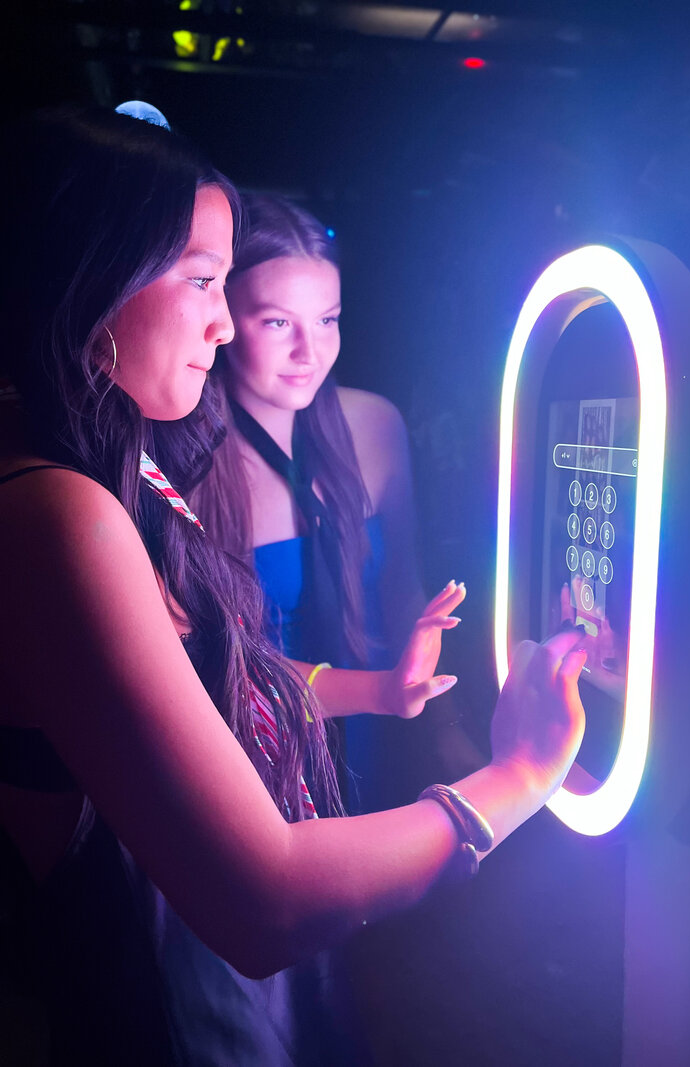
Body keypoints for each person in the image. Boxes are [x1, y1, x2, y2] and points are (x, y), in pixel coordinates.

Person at [0, 105, 586, 1066]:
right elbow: (262, 899)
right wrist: (515, 776)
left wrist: (379, 692)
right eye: (201, 279)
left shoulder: (110, 469)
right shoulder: (60, 514)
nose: (223, 323)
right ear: (87, 271)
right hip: (163, 1003)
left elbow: (210, 684)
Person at [191, 193, 477, 812]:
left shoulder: (375, 426)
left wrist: (446, 731)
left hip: (385, 739)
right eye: (276, 322)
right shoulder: (189, 462)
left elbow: (405, 592)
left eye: (327, 320)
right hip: (255, 763)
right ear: (223, 315)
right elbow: (217, 668)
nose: (309, 353)